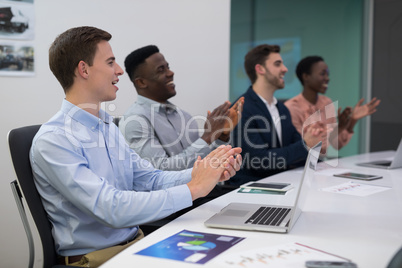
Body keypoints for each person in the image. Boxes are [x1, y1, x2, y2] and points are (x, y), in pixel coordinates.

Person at [29, 26, 242, 267]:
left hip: (136, 244)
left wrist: (204, 174)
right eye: (110, 62)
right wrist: (194, 188)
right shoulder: (54, 139)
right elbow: (111, 208)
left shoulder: (107, 127)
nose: (119, 71)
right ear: (84, 69)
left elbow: (149, 179)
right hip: (97, 259)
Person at [120, 45, 244, 171]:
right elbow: (161, 171)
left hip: (202, 189)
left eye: (168, 67)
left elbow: (203, 163)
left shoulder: (183, 115)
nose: (170, 73)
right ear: (141, 82)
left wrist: (221, 135)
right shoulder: (134, 121)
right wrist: (208, 136)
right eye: (161, 70)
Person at [229, 44, 326, 186]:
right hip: (253, 189)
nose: (285, 69)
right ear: (260, 69)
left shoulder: (282, 109)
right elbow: (260, 161)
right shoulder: (242, 108)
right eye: (277, 64)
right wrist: (305, 144)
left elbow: (297, 152)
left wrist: (312, 142)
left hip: (283, 184)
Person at [284, 55, 380, 150]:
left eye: (327, 74)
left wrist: (351, 121)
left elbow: (335, 144)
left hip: (320, 163)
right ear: (306, 77)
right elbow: (297, 149)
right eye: (322, 74)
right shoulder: (291, 108)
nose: (327, 78)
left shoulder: (326, 102)